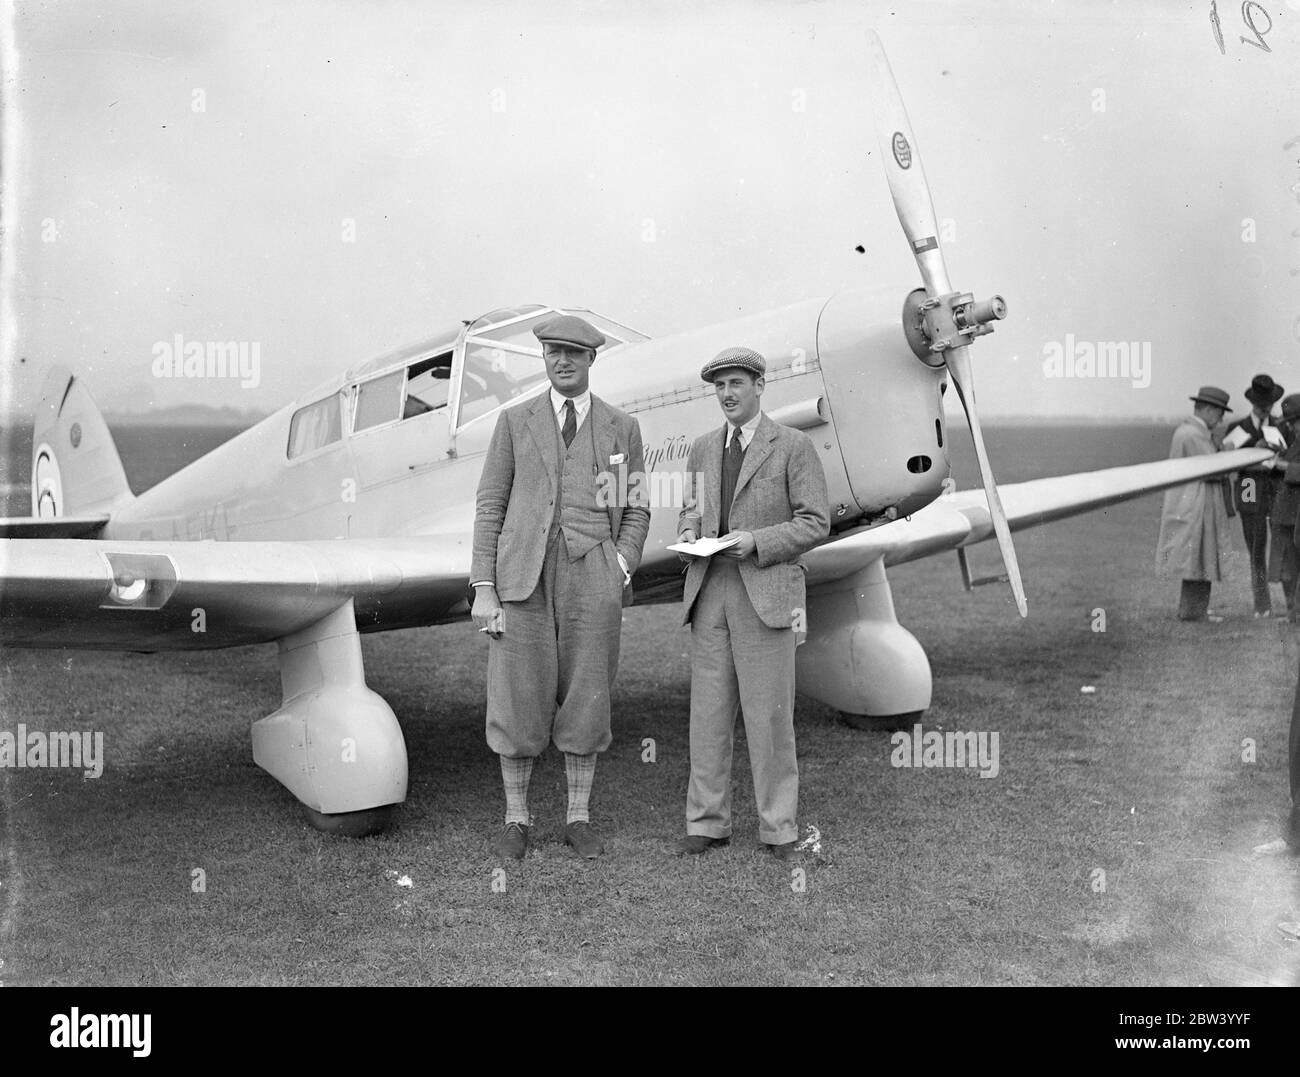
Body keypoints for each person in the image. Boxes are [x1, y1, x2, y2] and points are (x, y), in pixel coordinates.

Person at [470, 314, 650, 860]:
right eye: (552, 352)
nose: (563, 361)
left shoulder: (622, 428)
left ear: (592, 359)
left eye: (573, 353)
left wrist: (619, 565)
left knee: (587, 693)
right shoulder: (514, 421)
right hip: (521, 575)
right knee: (517, 694)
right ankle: (516, 820)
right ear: (543, 358)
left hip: (592, 576)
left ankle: (578, 817)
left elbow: (636, 507)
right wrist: (484, 585)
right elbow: (490, 504)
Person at [674, 346, 829, 861]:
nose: (727, 394)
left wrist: (757, 542)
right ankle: (706, 823)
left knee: (769, 718)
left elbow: (814, 522)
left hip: (764, 593)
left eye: (736, 383)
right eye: (719, 386)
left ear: (760, 385)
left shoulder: (792, 446)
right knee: (708, 716)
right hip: (708, 593)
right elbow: (690, 513)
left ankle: (779, 828)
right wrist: (690, 533)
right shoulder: (700, 449)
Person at [1154, 387, 1233, 621]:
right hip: (1197, 503)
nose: (1221, 419)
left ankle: (1194, 610)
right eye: (1219, 413)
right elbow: (1213, 469)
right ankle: (1192, 612)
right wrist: (1228, 452)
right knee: (1198, 556)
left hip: (1194, 501)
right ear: (1208, 410)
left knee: (1199, 557)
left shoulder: (1192, 432)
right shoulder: (1193, 434)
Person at [1224, 374, 1287, 617]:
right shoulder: (1237, 429)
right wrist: (1253, 451)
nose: (1265, 409)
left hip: (1277, 492)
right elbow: (1227, 461)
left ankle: (1292, 602)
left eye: (1269, 405)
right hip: (1249, 490)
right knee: (1256, 549)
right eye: (1262, 405)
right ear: (1253, 403)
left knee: (1285, 547)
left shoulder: (1282, 426)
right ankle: (1262, 605)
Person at [1270, 394, 1300, 620]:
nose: (1290, 426)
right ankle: (1293, 610)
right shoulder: (1295, 441)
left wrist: (1282, 465)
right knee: (1287, 566)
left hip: (1293, 513)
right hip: (1287, 513)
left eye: (1294, 421)